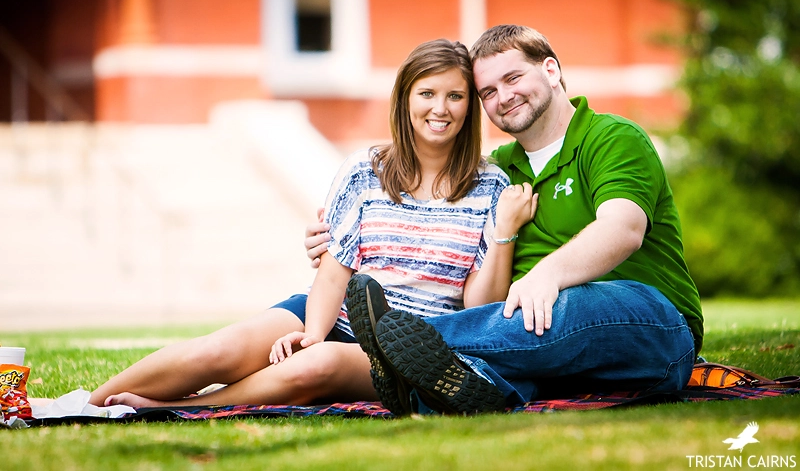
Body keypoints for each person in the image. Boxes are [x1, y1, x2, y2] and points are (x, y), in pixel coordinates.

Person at [89, 38, 537, 410]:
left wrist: (504, 232)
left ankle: (171, 409)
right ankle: (83, 405)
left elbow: (480, 306)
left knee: (313, 368)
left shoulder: (491, 186)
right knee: (218, 351)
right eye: (427, 93)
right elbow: (335, 266)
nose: (441, 108)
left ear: (468, 108)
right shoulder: (364, 169)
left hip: (409, 344)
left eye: (455, 96)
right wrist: (312, 333)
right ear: (405, 99)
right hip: (331, 310)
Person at [306, 24, 704, 415]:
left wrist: (546, 275)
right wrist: (330, 236)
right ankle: (447, 387)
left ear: (550, 70)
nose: (504, 97)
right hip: (538, 336)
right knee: (515, 343)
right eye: (489, 92)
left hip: (653, 323)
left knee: (565, 305)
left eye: (513, 78)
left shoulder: (612, 137)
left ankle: (386, 346)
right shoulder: (497, 175)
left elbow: (623, 229)